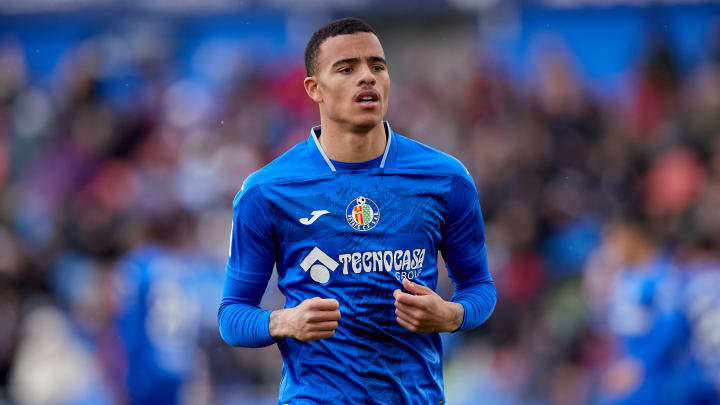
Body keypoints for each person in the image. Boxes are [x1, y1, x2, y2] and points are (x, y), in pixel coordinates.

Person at [217, 17, 497, 404]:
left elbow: (480, 287)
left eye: (377, 66)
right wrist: (285, 320)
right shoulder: (267, 190)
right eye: (347, 68)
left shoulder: (446, 179)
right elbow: (232, 315)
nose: (367, 77)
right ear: (314, 88)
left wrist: (453, 315)